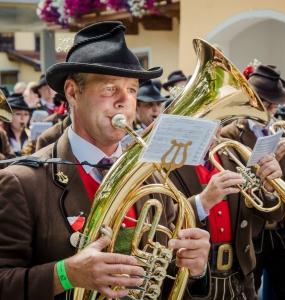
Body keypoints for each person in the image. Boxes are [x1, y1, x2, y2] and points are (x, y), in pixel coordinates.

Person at [0, 21, 210, 300]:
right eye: (110, 88)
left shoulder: (154, 178)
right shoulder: (22, 182)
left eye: (132, 90)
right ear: (73, 92)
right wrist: (66, 274)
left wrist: (196, 270)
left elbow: (167, 276)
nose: (125, 101)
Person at [168, 123, 285, 300]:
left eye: (219, 123)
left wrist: (270, 188)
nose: (217, 131)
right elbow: (159, 219)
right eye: (207, 122)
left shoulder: (235, 151)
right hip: (193, 280)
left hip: (241, 276)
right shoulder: (166, 158)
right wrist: (202, 202)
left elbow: (273, 214)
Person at [221, 64, 285, 299]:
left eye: (276, 104)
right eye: (267, 104)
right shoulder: (231, 134)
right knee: (250, 292)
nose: (273, 109)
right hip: (251, 232)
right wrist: (272, 159)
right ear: (252, 101)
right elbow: (237, 183)